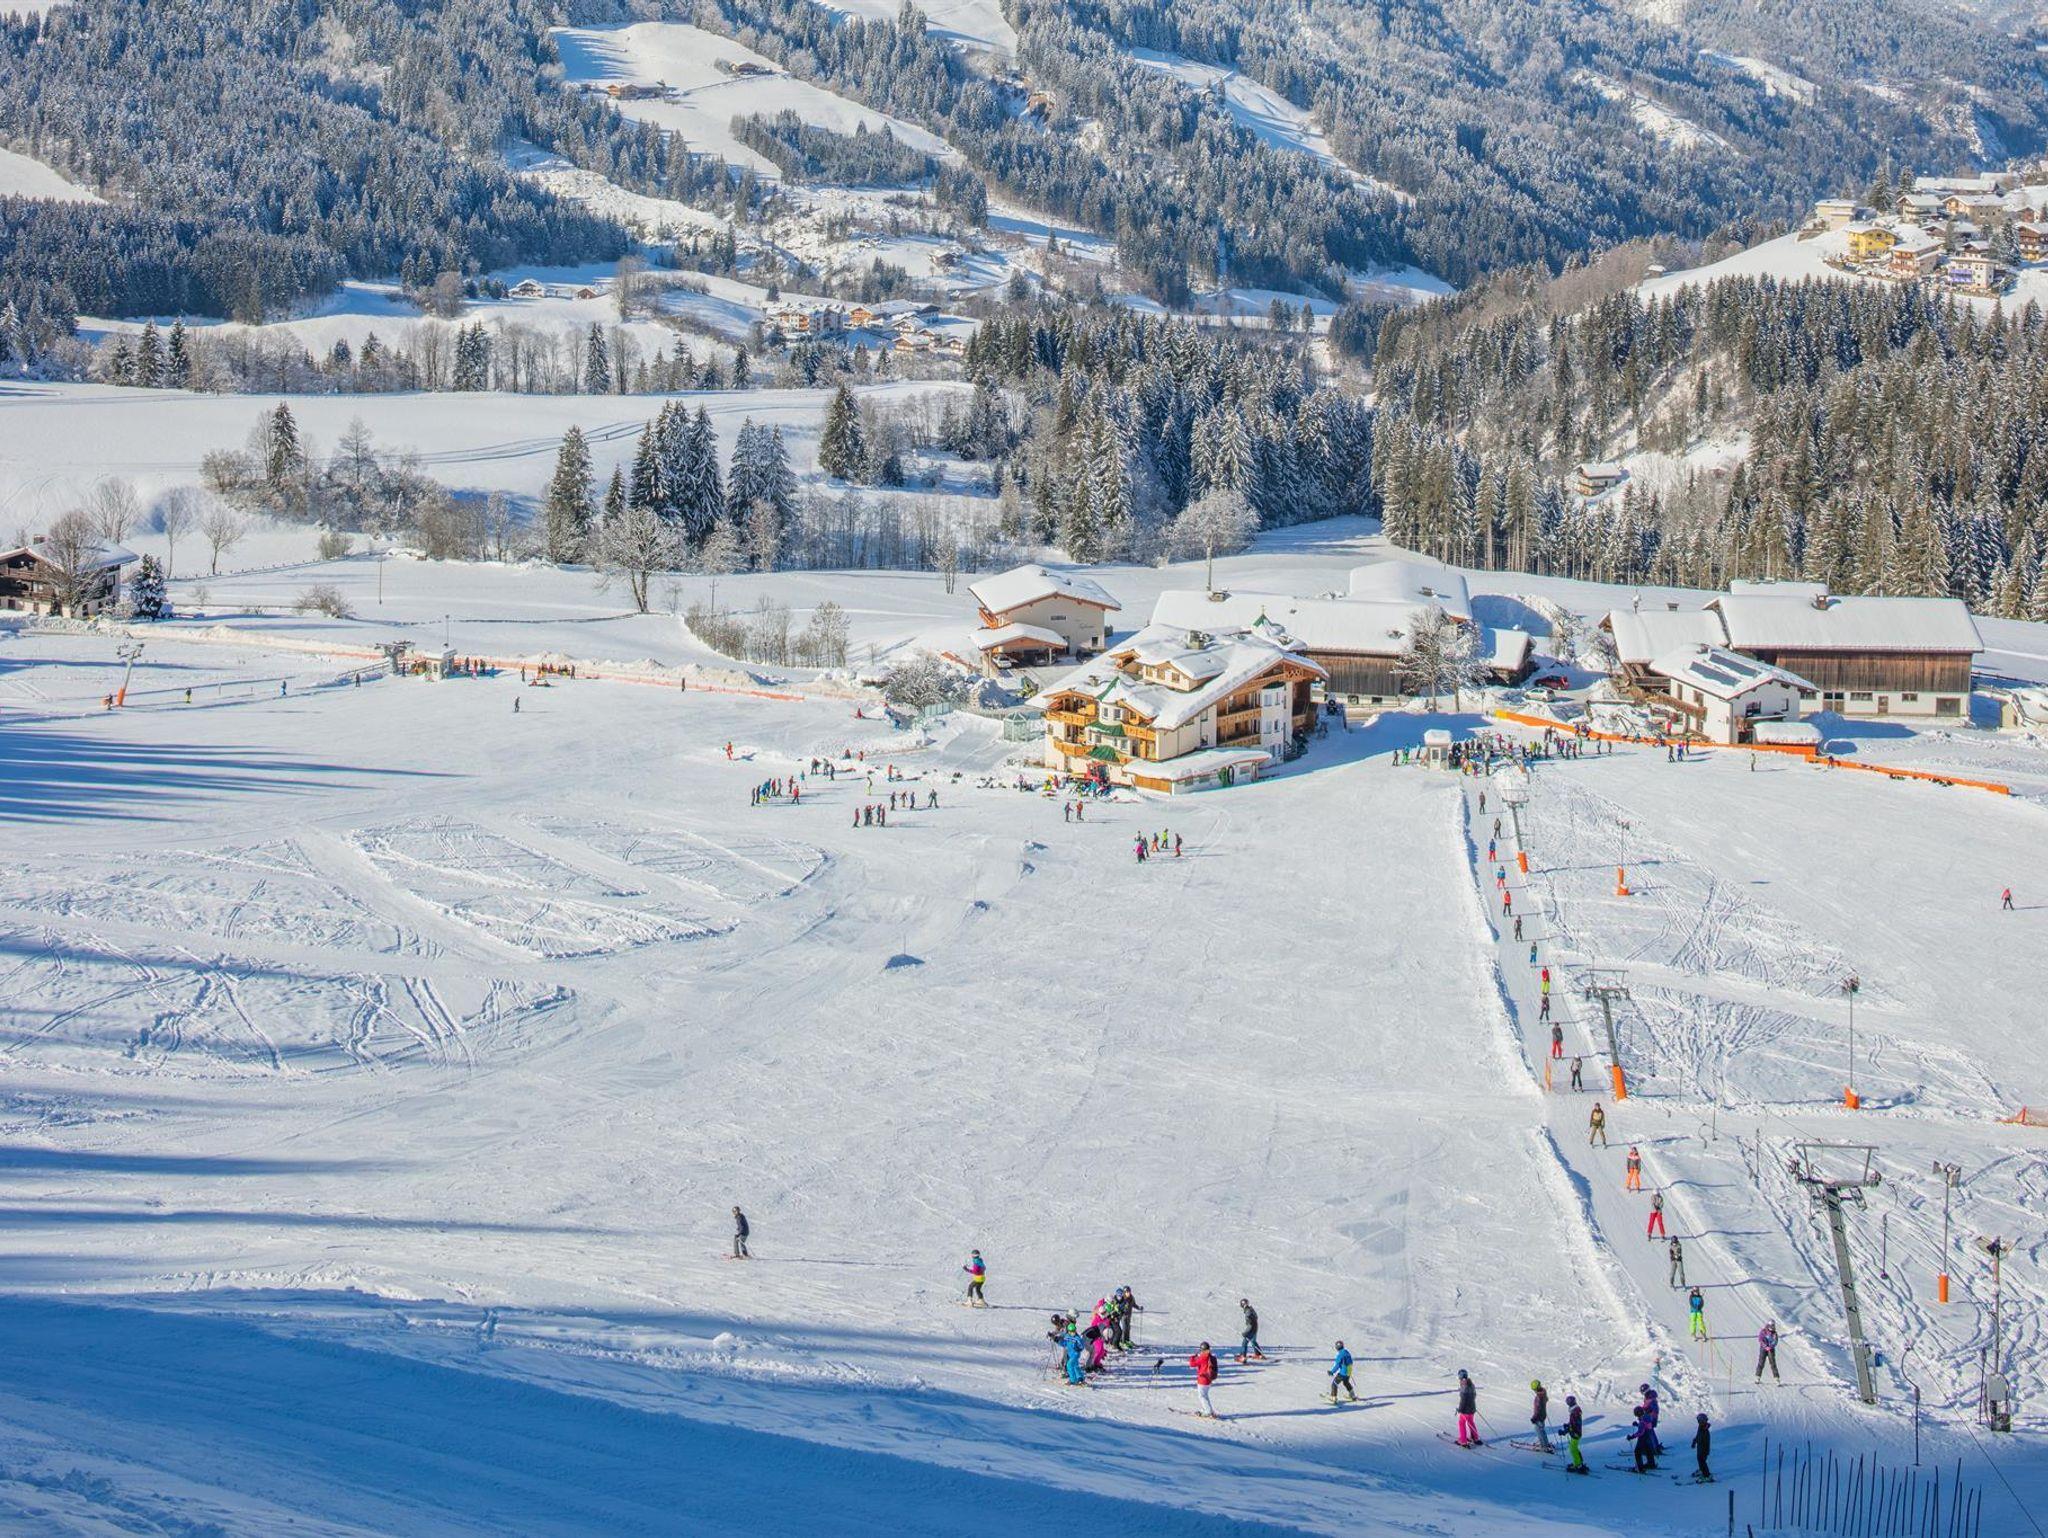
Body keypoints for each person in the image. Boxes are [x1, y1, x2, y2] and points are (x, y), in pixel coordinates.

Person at [1190, 1341, 1220, 1418]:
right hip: (1209, 1380)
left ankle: (1208, 1411)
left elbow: (1192, 1364)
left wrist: (1192, 1357)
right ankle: (1209, 1410)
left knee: (1202, 1396)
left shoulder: (1203, 1357)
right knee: (1205, 1395)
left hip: (1202, 1380)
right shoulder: (1211, 1357)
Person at [1454, 1369, 1481, 1446]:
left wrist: (1460, 1409)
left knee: (1461, 1423)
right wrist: (1471, 1405)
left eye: (1459, 1376)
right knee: (1470, 1422)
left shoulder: (1463, 1385)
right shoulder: (1471, 1384)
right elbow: (1474, 1395)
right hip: (1472, 1408)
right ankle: (1475, 1438)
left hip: (1465, 1410)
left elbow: (1463, 1399)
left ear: (1460, 1376)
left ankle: (1463, 1441)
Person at [1563, 1394, 1587, 1473]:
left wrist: (1565, 1431)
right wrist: (1568, 1425)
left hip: (1575, 1433)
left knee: (1572, 1449)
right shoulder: (1575, 1410)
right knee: (1574, 1448)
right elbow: (1573, 1423)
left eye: (1568, 1403)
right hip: (1576, 1432)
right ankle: (1579, 1462)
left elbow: (1574, 1425)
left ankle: (1577, 1464)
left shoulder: (1575, 1412)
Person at [1238, 1298, 1264, 1363]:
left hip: (1251, 1329)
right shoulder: (1251, 1309)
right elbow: (1256, 1317)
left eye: (1241, 1304)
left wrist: (1246, 1332)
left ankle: (1243, 1357)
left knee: (1244, 1343)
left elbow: (1250, 1324)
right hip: (1255, 1328)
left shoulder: (1248, 1312)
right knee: (1253, 1341)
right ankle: (1258, 1354)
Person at [1529, 1378, 1551, 1451]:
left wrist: (1534, 1418)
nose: (1534, 1391)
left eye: (1534, 1389)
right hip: (1543, 1415)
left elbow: (1538, 1410)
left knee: (1539, 1431)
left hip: (1539, 1417)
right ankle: (1545, 1443)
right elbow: (1546, 1399)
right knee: (1542, 1430)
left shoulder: (1539, 1397)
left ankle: (1544, 1446)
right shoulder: (1543, 1392)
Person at [1691, 1412, 1713, 1481]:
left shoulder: (1705, 1430)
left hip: (1704, 1450)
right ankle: (1701, 1470)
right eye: (1698, 1421)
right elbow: (1698, 1436)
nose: (1699, 1422)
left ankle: (1707, 1475)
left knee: (1702, 1462)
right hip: (1700, 1449)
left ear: (1704, 1421)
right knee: (1700, 1460)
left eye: (1700, 1421)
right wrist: (1694, 1442)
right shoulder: (1700, 1428)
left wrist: (1704, 1450)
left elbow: (1705, 1441)